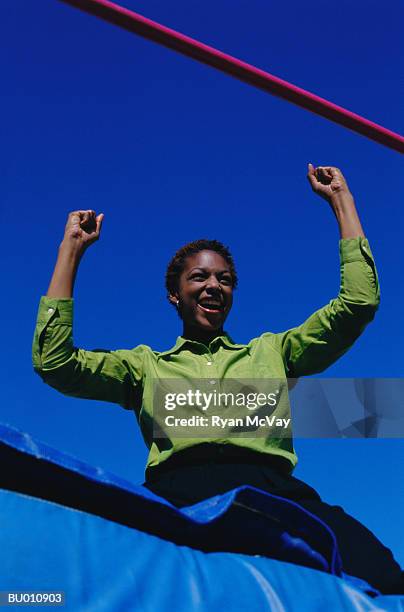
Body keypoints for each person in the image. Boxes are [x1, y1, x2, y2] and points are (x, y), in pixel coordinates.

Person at [32, 164, 403, 593]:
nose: (214, 285)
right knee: (103, 575)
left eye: (224, 279)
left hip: (271, 490)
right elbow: (55, 363)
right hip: (177, 492)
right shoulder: (144, 366)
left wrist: (343, 202)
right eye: (200, 277)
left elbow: (358, 304)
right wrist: (71, 250)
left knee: (378, 569)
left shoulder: (272, 353)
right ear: (175, 294)